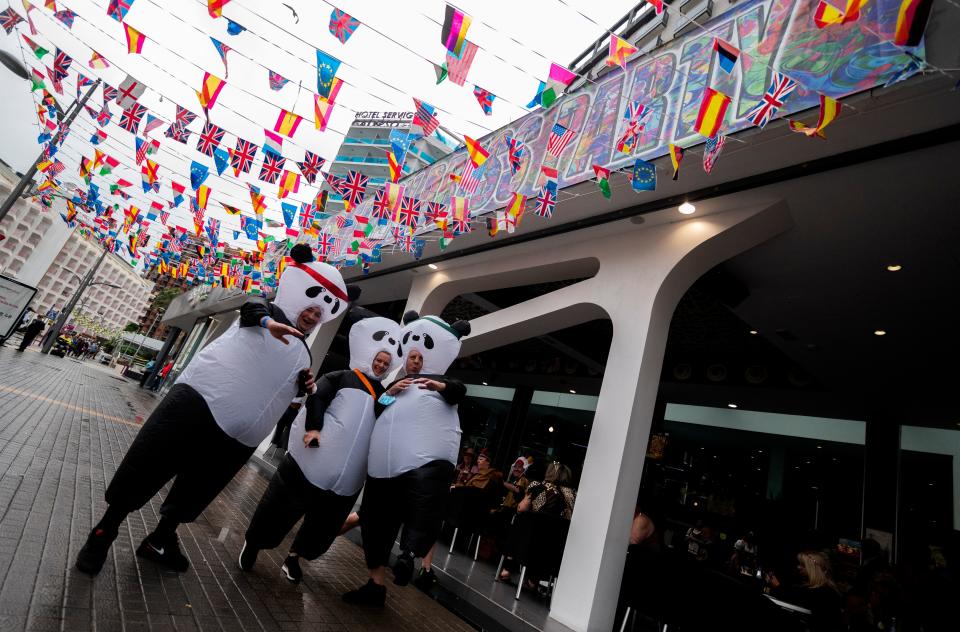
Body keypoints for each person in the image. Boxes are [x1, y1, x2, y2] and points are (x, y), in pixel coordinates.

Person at [75, 244, 355, 576]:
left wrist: (304, 384)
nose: (313, 314)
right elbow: (251, 309)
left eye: (321, 312)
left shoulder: (304, 353)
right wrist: (269, 323)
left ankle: (161, 539)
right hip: (198, 404)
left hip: (239, 438)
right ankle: (104, 532)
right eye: (311, 305)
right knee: (147, 465)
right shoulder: (264, 308)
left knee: (197, 490)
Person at [240, 316, 401, 583]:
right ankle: (254, 544)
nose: (381, 365)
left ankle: (294, 557)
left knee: (323, 526)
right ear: (370, 356)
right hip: (309, 463)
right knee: (279, 507)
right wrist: (313, 429)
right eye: (378, 360)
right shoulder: (340, 377)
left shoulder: (383, 395)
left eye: (386, 363)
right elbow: (317, 397)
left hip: (346, 481)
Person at [343, 311, 470, 607]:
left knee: (424, 509)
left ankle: (409, 555)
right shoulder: (395, 385)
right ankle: (375, 584)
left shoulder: (442, 384)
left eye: (420, 356)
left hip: (425, 466)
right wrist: (390, 392)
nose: (415, 361)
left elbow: (458, 391)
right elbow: (377, 408)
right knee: (375, 520)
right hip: (384, 468)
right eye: (411, 356)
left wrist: (443, 386)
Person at [497, 461, 577, 583]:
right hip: (553, 546)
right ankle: (533, 580)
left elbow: (521, 508)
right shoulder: (571, 495)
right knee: (542, 539)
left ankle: (507, 569)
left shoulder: (537, 486)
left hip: (530, 540)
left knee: (520, 519)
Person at [767, 550, 843, 632]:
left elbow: (793, 599)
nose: (798, 567)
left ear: (813, 569)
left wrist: (777, 586)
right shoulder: (816, 587)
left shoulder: (824, 592)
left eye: (803, 565)